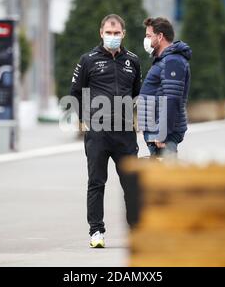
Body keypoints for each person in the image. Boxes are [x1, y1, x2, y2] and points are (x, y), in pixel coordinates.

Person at [70, 14, 142, 248]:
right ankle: (96, 232)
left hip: (125, 133)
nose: (113, 37)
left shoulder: (133, 61)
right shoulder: (87, 60)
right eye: (108, 33)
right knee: (96, 182)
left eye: (117, 33)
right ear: (101, 33)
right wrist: (84, 120)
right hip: (98, 133)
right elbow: (75, 93)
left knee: (131, 183)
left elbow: (137, 94)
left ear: (124, 34)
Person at [138, 17, 192, 158]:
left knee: (167, 178)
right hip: (155, 130)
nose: (146, 40)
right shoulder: (164, 60)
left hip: (163, 135)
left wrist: (163, 132)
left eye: (149, 36)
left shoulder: (173, 61)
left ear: (160, 36)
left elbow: (172, 99)